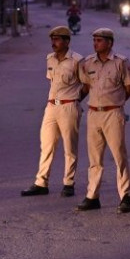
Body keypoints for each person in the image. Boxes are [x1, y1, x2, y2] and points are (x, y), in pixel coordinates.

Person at [21, 26, 85, 198]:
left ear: (66, 41)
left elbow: (86, 83)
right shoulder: (50, 59)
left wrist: (77, 99)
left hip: (69, 106)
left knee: (69, 147)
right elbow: (52, 82)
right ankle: (41, 182)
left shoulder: (77, 60)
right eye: (52, 40)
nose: (53, 43)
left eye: (57, 40)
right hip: (51, 106)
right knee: (46, 145)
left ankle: (68, 183)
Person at [77, 27, 130, 213]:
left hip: (113, 114)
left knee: (119, 156)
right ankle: (92, 196)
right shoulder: (87, 63)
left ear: (110, 43)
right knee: (94, 158)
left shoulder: (121, 62)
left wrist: (116, 103)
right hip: (93, 114)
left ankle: (125, 196)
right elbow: (86, 86)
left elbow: (129, 88)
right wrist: (75, 101)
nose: (95, 44)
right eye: (94, 41)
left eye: (99, 41)